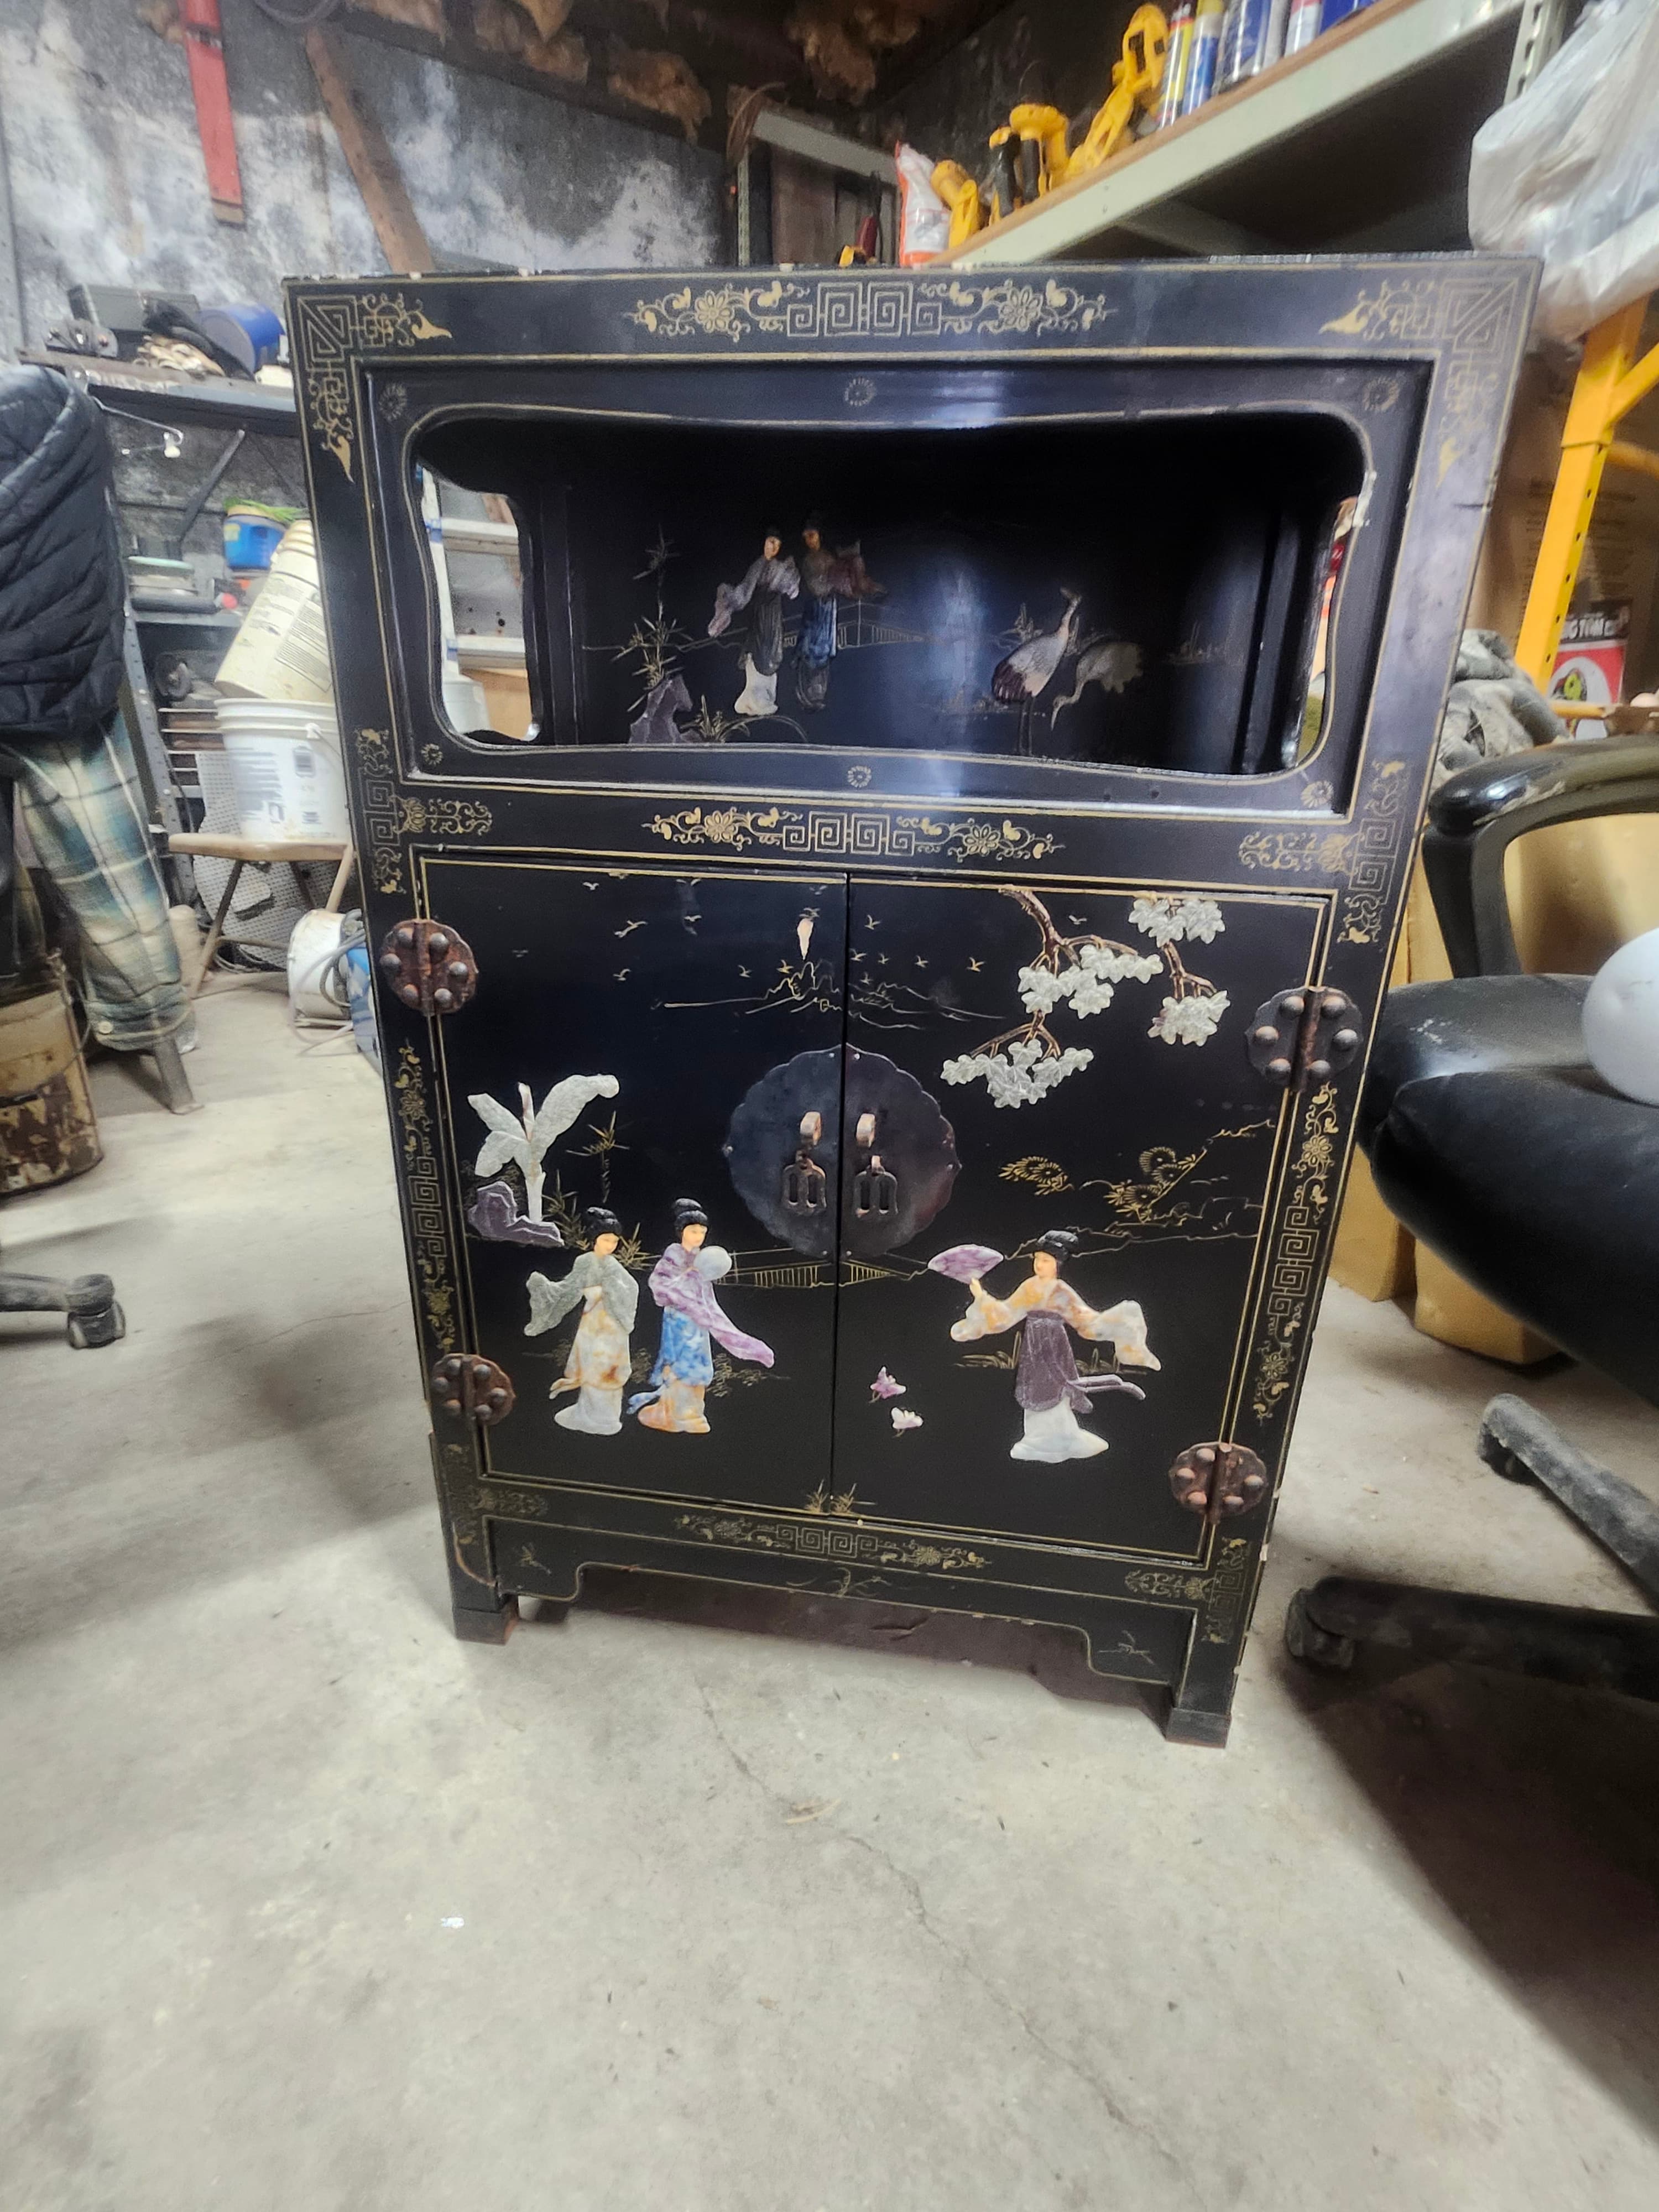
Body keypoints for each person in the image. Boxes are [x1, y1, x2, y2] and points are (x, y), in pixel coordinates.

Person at [950, 1230, 1159, 1463]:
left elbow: (1084, 1318)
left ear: (1057, 1264)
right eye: (1037, 1259)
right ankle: (1036, 1440)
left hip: (1054, 1341)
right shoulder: (1029, 1287)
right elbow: (1007, 1313)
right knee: (1034, 1386)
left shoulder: (1061, 1290)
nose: (1039, 1265)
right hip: (1033, 1343)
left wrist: (1113, 1325)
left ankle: (1061, 1438)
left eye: (1046, 1261)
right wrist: (982, 1296)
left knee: (1058, 1385)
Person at [630, 1199, 773, 1434]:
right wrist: (688, 1279)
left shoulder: (700, 1257)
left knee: (699, 1366)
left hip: (699, 1323)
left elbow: (707, 1297)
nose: (698, 1236)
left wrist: (717, 1322)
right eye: (693, 1231)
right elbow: (658, 1284)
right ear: (681, 1231)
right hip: (678, 1320)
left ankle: (694, 1412)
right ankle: (672, 1413)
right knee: (679, 1365)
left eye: (702, 1232)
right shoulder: (674, 1254)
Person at [524, 1208, 639, 1435]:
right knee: (590, 1363)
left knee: (608, 1368)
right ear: (594, 1239)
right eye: (607, 1240)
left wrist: (607, 1292)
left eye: (615, 1241)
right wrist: (545, 1287)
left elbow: (632, 1288)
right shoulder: (584, 1261)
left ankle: (607, 1418)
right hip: (592, 1320)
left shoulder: (613, 1265)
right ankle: (588, 1413)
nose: (611, 1245)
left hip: (612, 1323)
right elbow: (569, 1288)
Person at [708, 531, 799, 717]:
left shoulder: (779, 568)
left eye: (777, 545)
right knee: (756, 653)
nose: (773, 547)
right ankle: (753, 699)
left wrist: (789, 581)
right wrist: (730, 600)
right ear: (765, 542)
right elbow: (744, 592)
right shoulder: (758, 566)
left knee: (772, 653)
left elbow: (791, 589)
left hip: (774, 616)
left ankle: (764, 698)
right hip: (760, 616)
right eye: (771, 542)